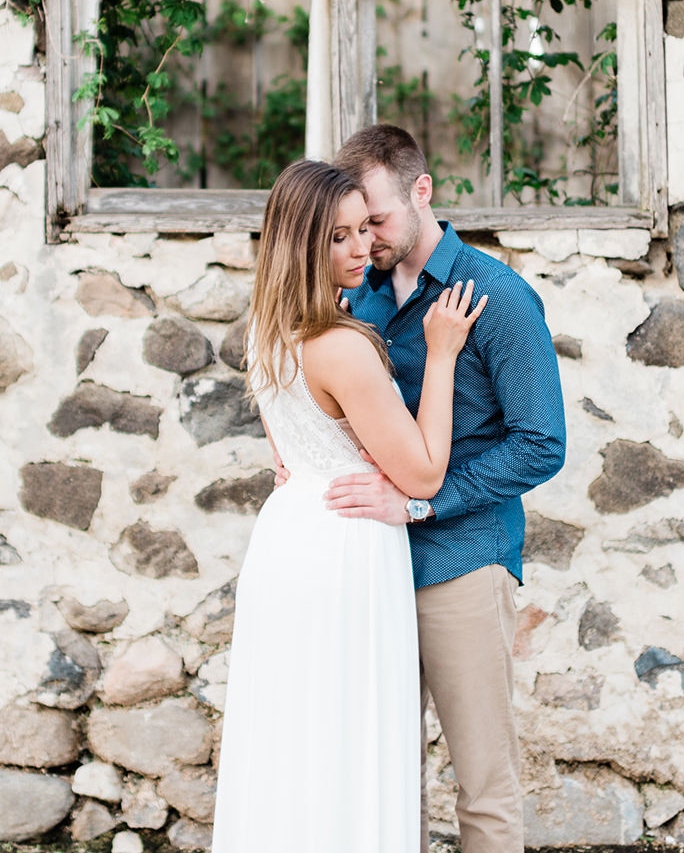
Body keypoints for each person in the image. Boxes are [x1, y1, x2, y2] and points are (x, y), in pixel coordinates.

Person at [212, 159, 487, 853]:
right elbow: (422, 471)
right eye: (339, 237)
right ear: (302, 244)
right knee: (347, 737)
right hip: (346, 546)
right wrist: (443, 352)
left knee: (289, 741)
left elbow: (286, 454)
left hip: (287, 539)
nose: (361, 247)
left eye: (364, 228)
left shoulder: (264, 334)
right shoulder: (341, 348)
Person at [325, 123, 567, 853]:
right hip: (371, 564)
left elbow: (541, 442)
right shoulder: (355, 299)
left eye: (378, 220)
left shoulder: (499, 297)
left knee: (484, 784)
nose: (366, 240)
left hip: (460, 560)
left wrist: (424, 500)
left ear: (422, 190)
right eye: (354, 227)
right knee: (381, 777)